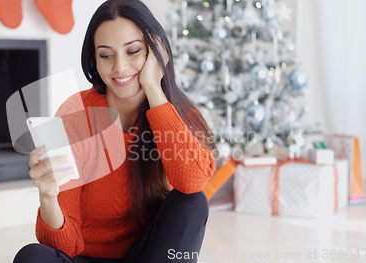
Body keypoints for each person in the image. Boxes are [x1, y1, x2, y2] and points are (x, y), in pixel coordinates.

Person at [13, 0, 217, 262]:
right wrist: (48, 196)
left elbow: (193, 182)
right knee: (33, 256)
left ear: (155, 52)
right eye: (106, 55)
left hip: (145, 256)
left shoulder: (176, 111)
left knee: (192, 203)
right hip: (85, 256)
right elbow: (64, 246)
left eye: (133, 51)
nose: (120, 67)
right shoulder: (77, 115)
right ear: (94, 60)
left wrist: (154, 88)